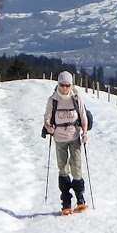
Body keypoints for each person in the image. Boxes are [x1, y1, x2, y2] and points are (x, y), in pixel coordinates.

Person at [43, 71, 90, 214]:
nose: (64, 88)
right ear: (58, 85)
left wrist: (85, 132)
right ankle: (66, 203)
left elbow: (83, 117)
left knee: (76, 168)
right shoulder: (53, 99)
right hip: (59, 138)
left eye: (67, 85)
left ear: (71, 85)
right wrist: (48, 127)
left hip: (74, 137)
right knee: (63, 169)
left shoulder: (76, 98)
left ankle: (80, 199)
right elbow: (47, 117)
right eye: (62, 85)